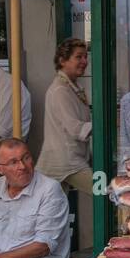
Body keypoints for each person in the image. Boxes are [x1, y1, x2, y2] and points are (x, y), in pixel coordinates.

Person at [37, 38, 93, 193]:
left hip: (70, 159)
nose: (84, 61)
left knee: (53, 207)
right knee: (104, 193)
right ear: (62, 61)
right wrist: (105, 123)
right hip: (66, 161)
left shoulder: (73, 86)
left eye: (85, 56)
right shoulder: (60, 90)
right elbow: (75, 128)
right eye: (78, 57)